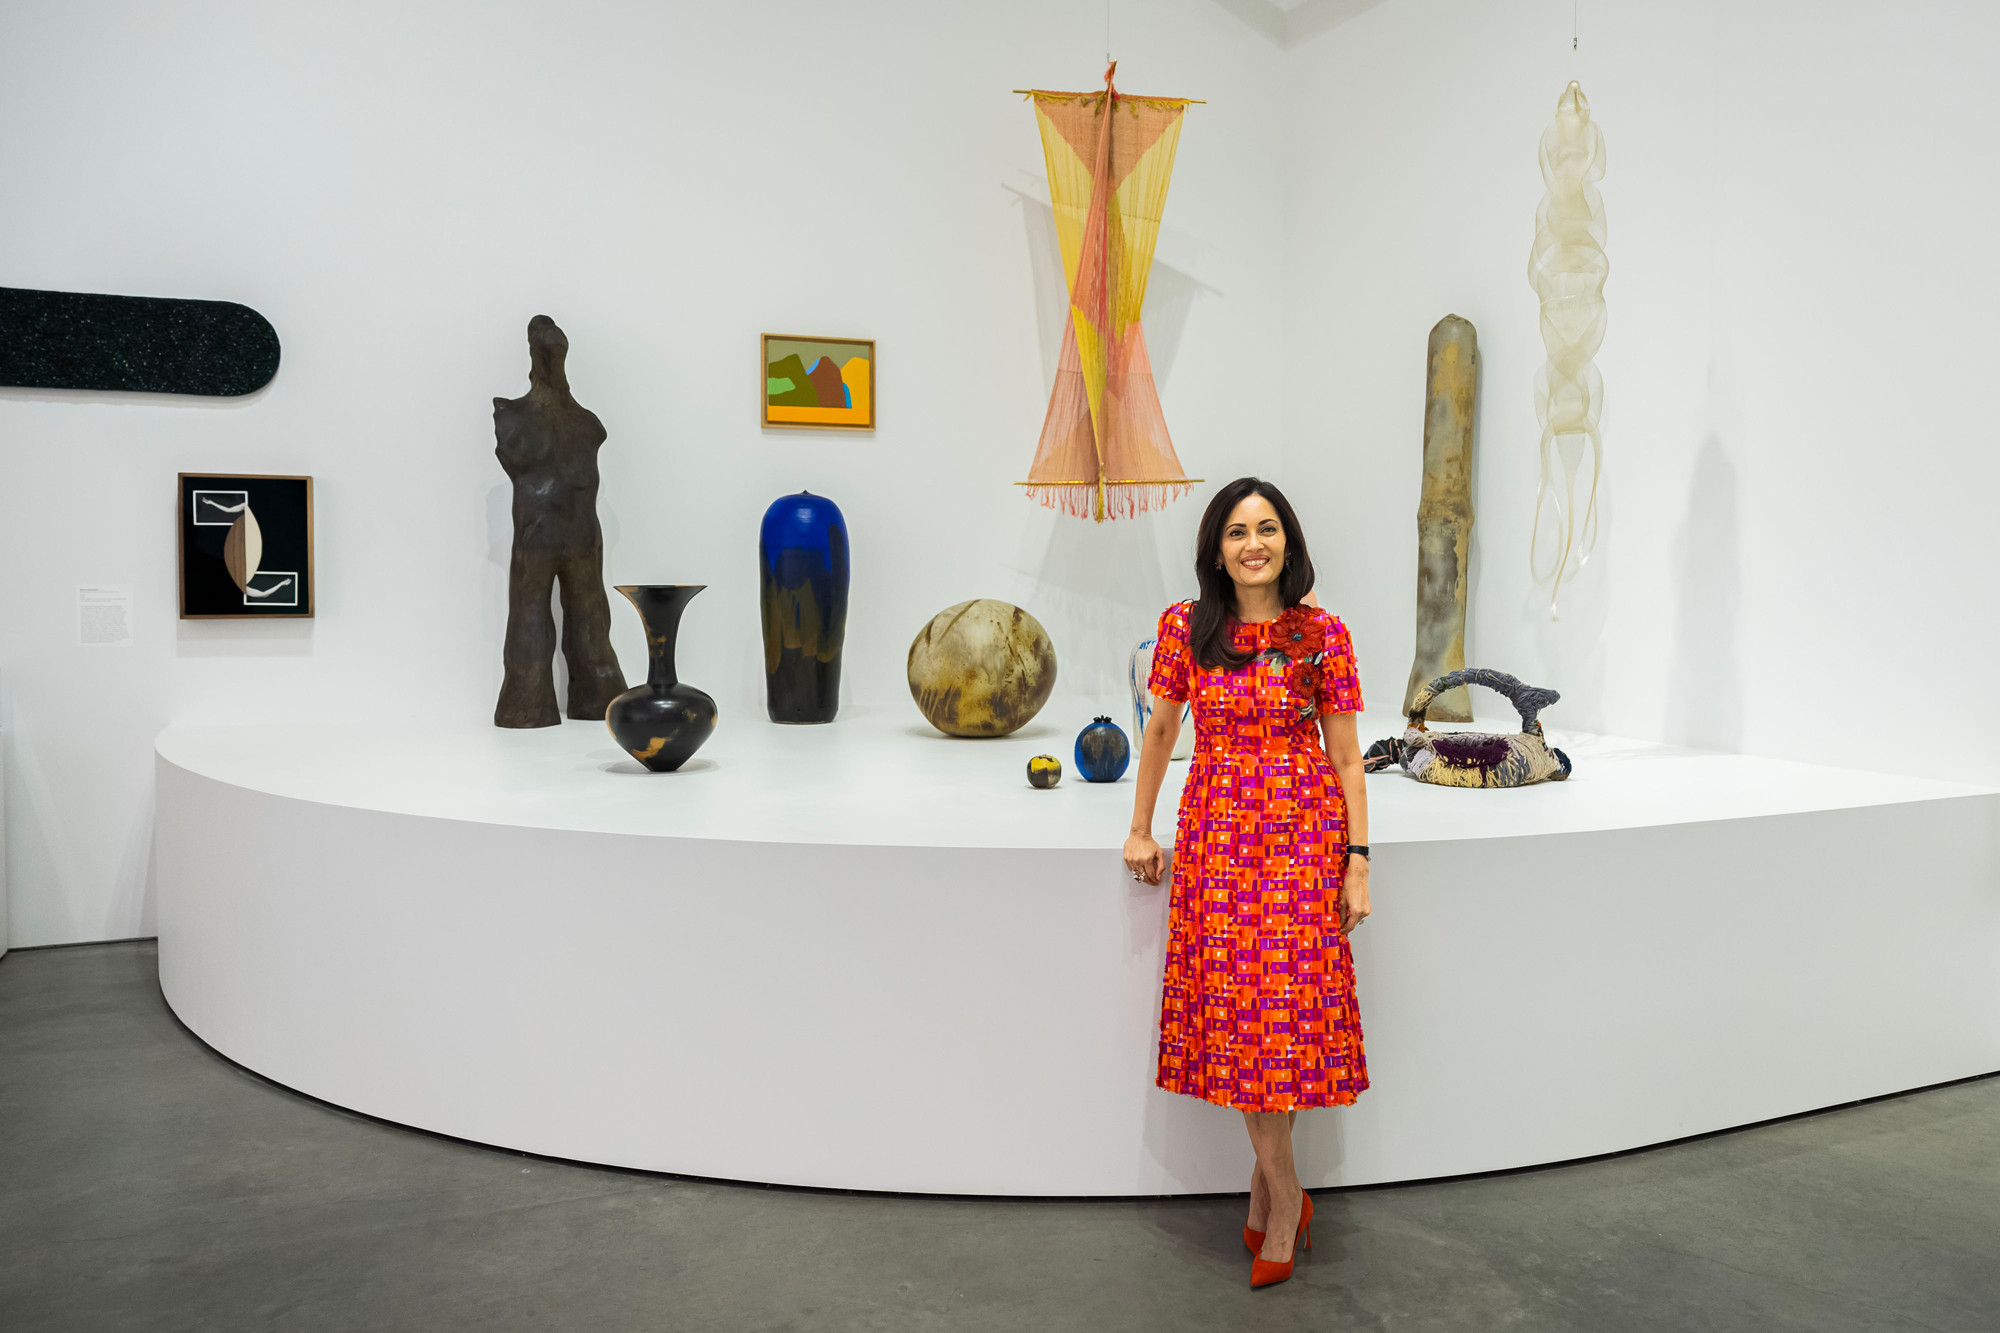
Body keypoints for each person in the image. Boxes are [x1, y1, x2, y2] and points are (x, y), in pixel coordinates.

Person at [1123, 476, 1372, 1289]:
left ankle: (1277, 1191)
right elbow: (1161, 730)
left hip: (1301, 840)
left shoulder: (1321, 634)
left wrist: (1358, 858)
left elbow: (1345, 757)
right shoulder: (1185, 629)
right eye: (1237, 531)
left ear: (1288, 545)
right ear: (1217, 549)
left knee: (1283, 1023)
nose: (1253, 543)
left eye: (1267, 529)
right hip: (1218, 838)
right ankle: (1284, 1189)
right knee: (1241, 1021)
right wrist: (1140, 825)